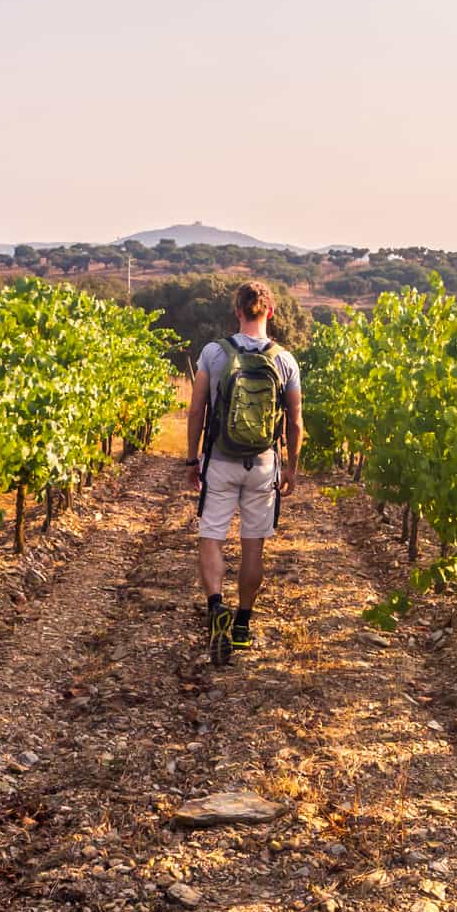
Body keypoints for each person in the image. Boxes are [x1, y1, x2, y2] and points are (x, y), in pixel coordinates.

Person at [185, 280, 303, 663]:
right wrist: (292, 468)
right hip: (263, 463)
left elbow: (196, 410)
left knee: (212, 536)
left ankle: (216, 604)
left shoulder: (214, 353)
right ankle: (242, 624)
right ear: (270, 312)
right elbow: (296, 422)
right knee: (254, 545)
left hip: (220, 459)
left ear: (237, 311)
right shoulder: (285, 360)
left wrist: (192, 459)